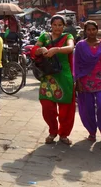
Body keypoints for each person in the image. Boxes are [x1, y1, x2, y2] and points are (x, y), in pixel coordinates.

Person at [32, 15, 75, 145]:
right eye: (55, 25)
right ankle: (52, 131)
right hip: (48, 76)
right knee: (47, 106)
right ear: (51, 25)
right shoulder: (44, 37)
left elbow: (70, 48)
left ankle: (64, 134)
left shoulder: (68, 36)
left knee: (66, 108)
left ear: (64, 26)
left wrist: (56, 50)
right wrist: (41, 50)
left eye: (60, 25)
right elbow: (34, 49)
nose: (57, 27)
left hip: (64, 75)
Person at [75, 20, 101, 143]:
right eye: (89, 29)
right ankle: (91, 132)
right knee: (88, 109)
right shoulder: (80, 46)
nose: (91, 32)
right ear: (85, 31)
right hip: (85, 80)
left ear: (97, 30)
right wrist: (77, 82)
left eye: (93, 29)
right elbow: (76, 65)